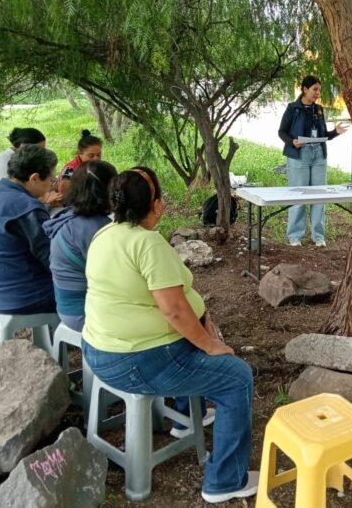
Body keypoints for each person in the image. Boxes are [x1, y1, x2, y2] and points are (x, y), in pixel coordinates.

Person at [81, 166, 257, 504]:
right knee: (236, 376)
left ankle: (183, 423)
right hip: (138, 361)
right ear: (156, 205)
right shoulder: (147, 243)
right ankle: (224, 481)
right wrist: (210, 344)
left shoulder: (104, 235)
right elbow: (174, 311)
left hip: (99, 351)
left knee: (200, 357)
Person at [0, 144, 58, 314]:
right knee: (81, 290)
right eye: (51, 180)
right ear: (34, 178)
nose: (52, 185)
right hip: (21, 297)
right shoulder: (27, 207)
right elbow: (53, 260)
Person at [43, 160, 117, 331]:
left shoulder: (68, 216)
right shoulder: (96, 228)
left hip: (67, 308)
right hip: (84, 313)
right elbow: (115, 277)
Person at [278, 75, 349, 247]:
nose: (318, 93)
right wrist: (292, 142)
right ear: (304, 89)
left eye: (319, 90)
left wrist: (335, 132)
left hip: (318, 153)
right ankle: (295, 235)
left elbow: (323, 135)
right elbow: (282, 132)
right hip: (300, 153)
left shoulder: (319, 109)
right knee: (299, 194)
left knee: (320, 195)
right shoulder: (293, 108)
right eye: (315, 89)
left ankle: (318, 235)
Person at [58, 130, 103, 197]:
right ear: (80, 153)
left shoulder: (98, 165)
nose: (96, 159)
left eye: (99, 155)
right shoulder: (70, 169)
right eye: (91, 156)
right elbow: (63, 190)